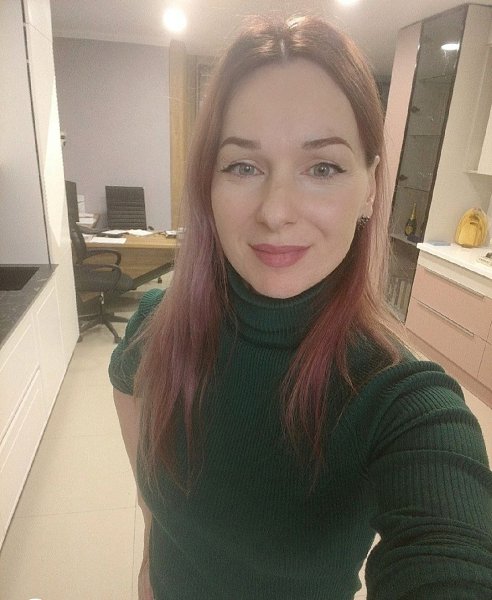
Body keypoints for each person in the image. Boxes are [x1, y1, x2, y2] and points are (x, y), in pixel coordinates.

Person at [109, 15, 492, 600]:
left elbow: (451, 551)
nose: (276, 211)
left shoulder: (403, 402)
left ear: (370, 188)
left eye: (323, 167)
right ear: (208, 182)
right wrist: (148, 562)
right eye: (243, 166)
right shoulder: (156, 326)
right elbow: (149, 491)